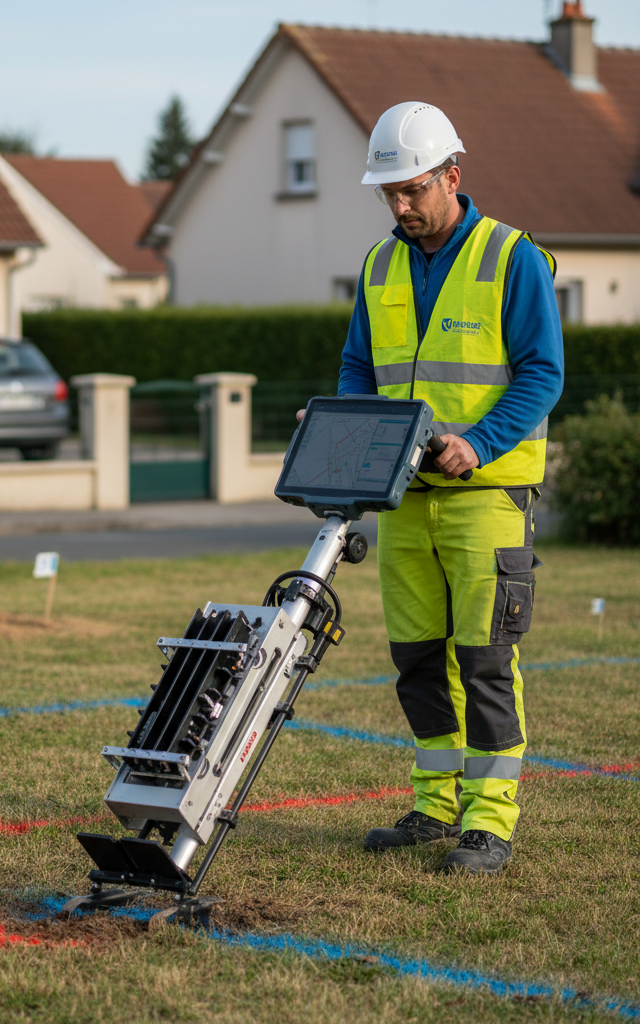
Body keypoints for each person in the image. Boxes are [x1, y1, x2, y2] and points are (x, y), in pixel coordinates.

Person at [317, 101, 563, 874]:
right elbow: (361, 366)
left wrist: (478, 443)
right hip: (405, 500)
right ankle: (433, 807)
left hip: (487, 498)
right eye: (388, 193)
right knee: (419, 658)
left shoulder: (513, 258)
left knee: (486, 661)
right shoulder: (378, 264)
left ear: (452, 178)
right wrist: (346, 425)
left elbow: (542, 373)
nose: (400, 206)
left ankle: (488, 824)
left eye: (413, 190)